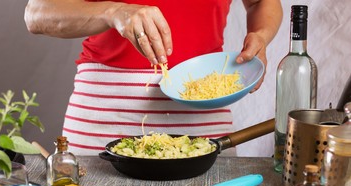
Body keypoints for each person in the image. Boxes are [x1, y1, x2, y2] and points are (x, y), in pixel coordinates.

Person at [24, 0, 282, 155]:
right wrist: (112, 12)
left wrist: (261, 35)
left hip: (201, 114)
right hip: (103, 115)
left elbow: (261, 2)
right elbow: (36, 14)